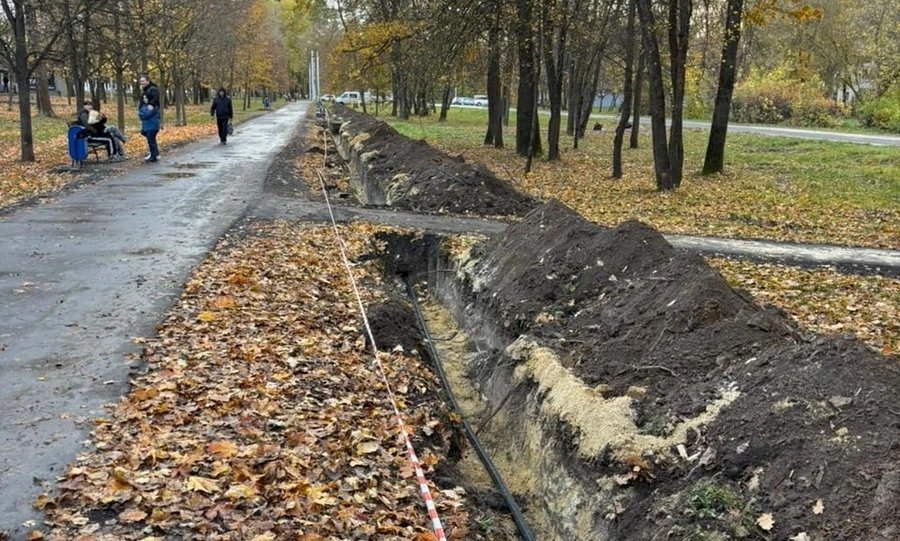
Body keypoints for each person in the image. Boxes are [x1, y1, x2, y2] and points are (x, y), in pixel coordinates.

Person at [138, 94, 160, 162]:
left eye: (146, 98)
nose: (145, 99)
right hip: (146, 127)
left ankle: (153, 156)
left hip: (153, 126)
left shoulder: (153, 106)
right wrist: (144, 115)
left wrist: (144, 115)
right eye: (144, 98)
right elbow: (140, 114)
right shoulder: (143, 106)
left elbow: (146, 115)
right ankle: (155, 154)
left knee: (151, 140)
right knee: (151, 140)